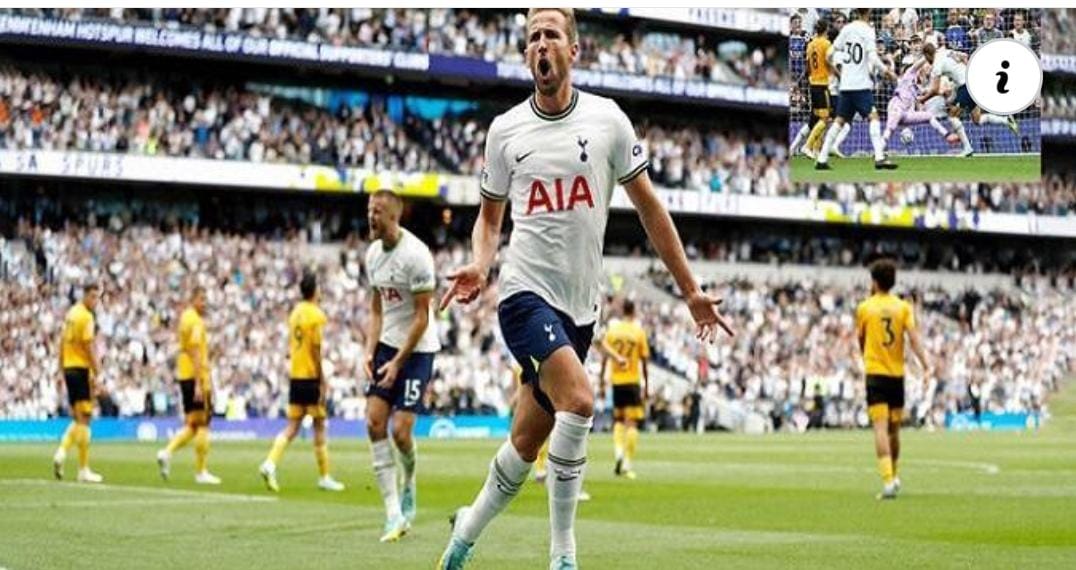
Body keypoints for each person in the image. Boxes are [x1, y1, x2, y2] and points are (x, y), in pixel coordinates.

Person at [436, 8, 734, 569]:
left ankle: (460, 542)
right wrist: (480, 262)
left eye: (550, 35)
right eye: (532, 38)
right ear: (526, 54)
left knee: (525, 444)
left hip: (580, 311)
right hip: (524, 296)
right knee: (579, 400)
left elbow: (650, 207)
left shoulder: (607, 121)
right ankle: (563, 555)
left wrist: (690, 290)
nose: (540, 45)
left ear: (574, 50)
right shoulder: (505, 132)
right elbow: (490, 220)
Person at [363, 189, 441, 542]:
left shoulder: (417, 256)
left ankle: (409, 480)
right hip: (386, 346)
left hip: (418, 349)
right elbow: (376, 309)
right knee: (373, 422)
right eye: (369, 210)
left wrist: (398, 362)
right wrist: (370, 350)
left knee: (401, 432)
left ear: (394, 216)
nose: (371, 216)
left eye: (377, 211)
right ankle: (393, 513)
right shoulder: (372, 255)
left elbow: (422, 317)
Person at [259, 272, 346, 493]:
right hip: (310, 377)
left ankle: (270, 463)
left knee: (292, 427)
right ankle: (324, 476)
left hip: (295, 376)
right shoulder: (316, 315)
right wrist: (322, 380)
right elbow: (316, 349)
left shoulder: (295, 313)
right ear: (315, 290)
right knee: (319, 427)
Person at [855, 259, 931, 500]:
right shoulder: (903, 308)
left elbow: (861, 339)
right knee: (894, 431)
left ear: (875, 282)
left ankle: (888, 480)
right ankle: (894, 474)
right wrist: (926, 366)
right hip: (896, 375)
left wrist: (866, 356)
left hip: (875, 373)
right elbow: (914, 339)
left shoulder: (865, 308)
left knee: (880, 428)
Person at [815, 8, 900, 171]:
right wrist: (887, 71)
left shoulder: (846, 29)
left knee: (839, 121)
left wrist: (841, 64)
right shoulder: (868, 30)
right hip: (860, 85)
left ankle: (822, 158)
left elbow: (829, 54)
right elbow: (873, 57)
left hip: (846, 85)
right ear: (869, 11)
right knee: (873, 117)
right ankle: (879, 157)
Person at [156, 285, 220, 484]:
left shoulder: (185, 318)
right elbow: (195, 352)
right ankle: (201, 472)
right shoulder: (195, 321)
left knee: (192, 425)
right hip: (195, 376)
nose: (205, 303)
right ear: (193, 300)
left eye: (206, 299)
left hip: (185, 374)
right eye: (202, 299)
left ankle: (167, 452)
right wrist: (200, 383)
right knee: (203, 424)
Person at [918, 42, 1018, 158]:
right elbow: (964, 56)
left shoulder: (937, 64)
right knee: (977, 119)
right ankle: (1006, 120)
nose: (926, 61)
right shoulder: (945, 52)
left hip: (966, 85)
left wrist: (923, 99)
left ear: (927, 55)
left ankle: (967, 148)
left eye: (925, 57)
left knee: (952, 116)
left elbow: (935, 90)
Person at [52, 283, 104, 483]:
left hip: (69, 368)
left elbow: (62, 342)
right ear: (85, 296)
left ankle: (62, 452)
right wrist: (98, 371)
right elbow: (89, 346)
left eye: (98, 297)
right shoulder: (86, 317)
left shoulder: (71, 314)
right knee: (85, 418)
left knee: (78, 418)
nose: (96, 301)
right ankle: (83, 468)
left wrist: (60, 368)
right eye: (93, 297)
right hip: (81, 369)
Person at [599, 299, 649, 479]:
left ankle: (618, 451)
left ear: (622, 311)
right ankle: (627, 462)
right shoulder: (638, 332)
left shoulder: (613, 331)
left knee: (618, 420)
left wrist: (601, 382)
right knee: (632, 423)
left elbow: (605, 358)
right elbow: (644, 361)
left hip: (617, 382)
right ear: (633, 311)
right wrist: (646, 386)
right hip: (632, 381)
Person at [790, 19, 834, 160]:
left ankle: (802, 148)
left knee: (814, 119)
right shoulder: (826, 44)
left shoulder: (810, 45)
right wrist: (839, 75)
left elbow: (808, 67)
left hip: (812, 84)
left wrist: (799, 81)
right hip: (822, 85)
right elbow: (829, 63)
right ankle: (808, 146)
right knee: (825, 118)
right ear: (826, 29)